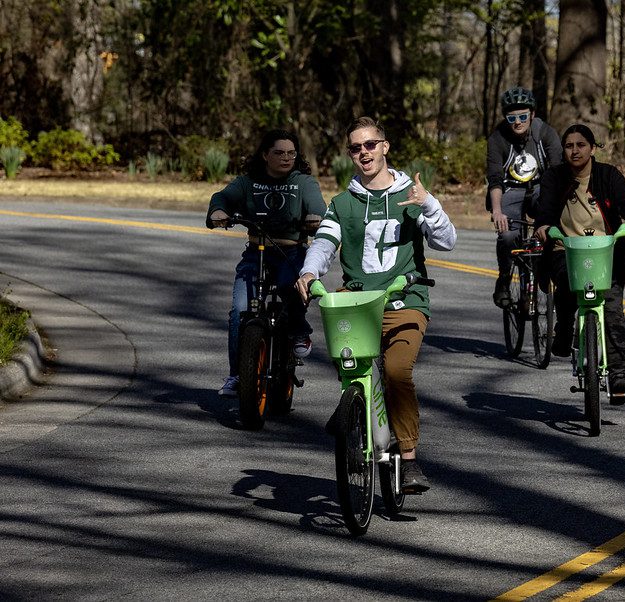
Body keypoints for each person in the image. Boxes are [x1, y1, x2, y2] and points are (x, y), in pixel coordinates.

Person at [296, 116, 456, 493]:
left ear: (385, 146)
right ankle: (353, 407)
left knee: (397, 371)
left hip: (406, 301)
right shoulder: (343, 203)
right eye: (356, 147)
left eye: (370, 145)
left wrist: (429, 204)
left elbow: (447, 242)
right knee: (350, 363)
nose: (363, 153)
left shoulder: (410, 196)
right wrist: (308, 272)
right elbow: (324, 243)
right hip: (359, 304)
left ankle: (410, 458)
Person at [207, 129, 327, 397]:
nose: (286, 158)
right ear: (265, 155)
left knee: (291, 285)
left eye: (291, 153)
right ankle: (237, 375)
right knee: (240, 309)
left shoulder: (302, 182)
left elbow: (317, 204)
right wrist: (218, 211)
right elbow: (222, 198)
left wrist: (314, 216)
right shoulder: (249, 182)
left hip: (291, 252)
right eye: (279, 153)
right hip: (256, 251)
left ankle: (298, 331)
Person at [534, 123, 625, 402]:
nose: (575, 150)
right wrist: (544, 226)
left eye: (581, 145)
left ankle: (619, 374)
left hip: (605, 252)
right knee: (566, 284)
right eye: (569, 146)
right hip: (567, 248)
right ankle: (564, 329)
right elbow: (545, 209)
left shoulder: (608, 175)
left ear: (592, 148)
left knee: (612, 311)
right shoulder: (554, 177)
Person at [487, 86, 562, 308]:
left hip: (540, 189)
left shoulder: (545, 133)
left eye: (522, 116)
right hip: (510, 191)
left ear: (532, 115)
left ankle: (544, 268)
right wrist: (497, 211)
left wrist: (555, 210)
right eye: (512, 117)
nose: (517, 122)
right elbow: (495, 179)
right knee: (508, 237)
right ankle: (504, 279)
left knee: (552, 227)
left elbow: (558, 172)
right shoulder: (497, 138)